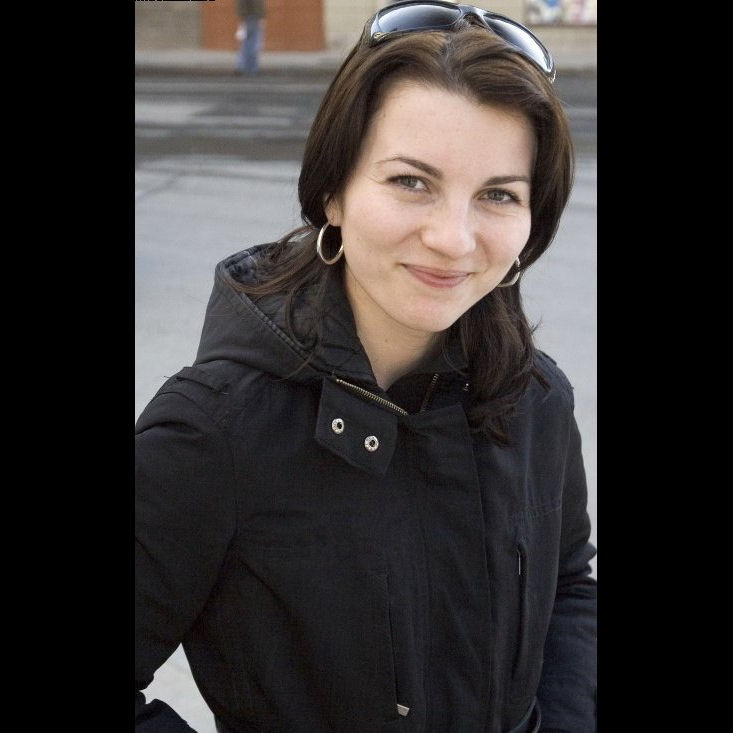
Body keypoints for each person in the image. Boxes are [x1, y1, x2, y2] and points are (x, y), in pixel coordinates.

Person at [135, 2, 597, 731]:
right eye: (411, 181)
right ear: (334, 192)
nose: (453, 238)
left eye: (498, 194)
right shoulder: (214, 430)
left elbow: (568, 584)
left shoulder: (536, 398)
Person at [235, 0, 266, 75]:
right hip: (254, 17)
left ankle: (241, 65)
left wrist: (241, 17)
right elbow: (257, 4)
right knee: (254, 43)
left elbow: (241, 5)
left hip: (247, 17)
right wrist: (261, 17)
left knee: (246, 43)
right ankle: (252, 68)